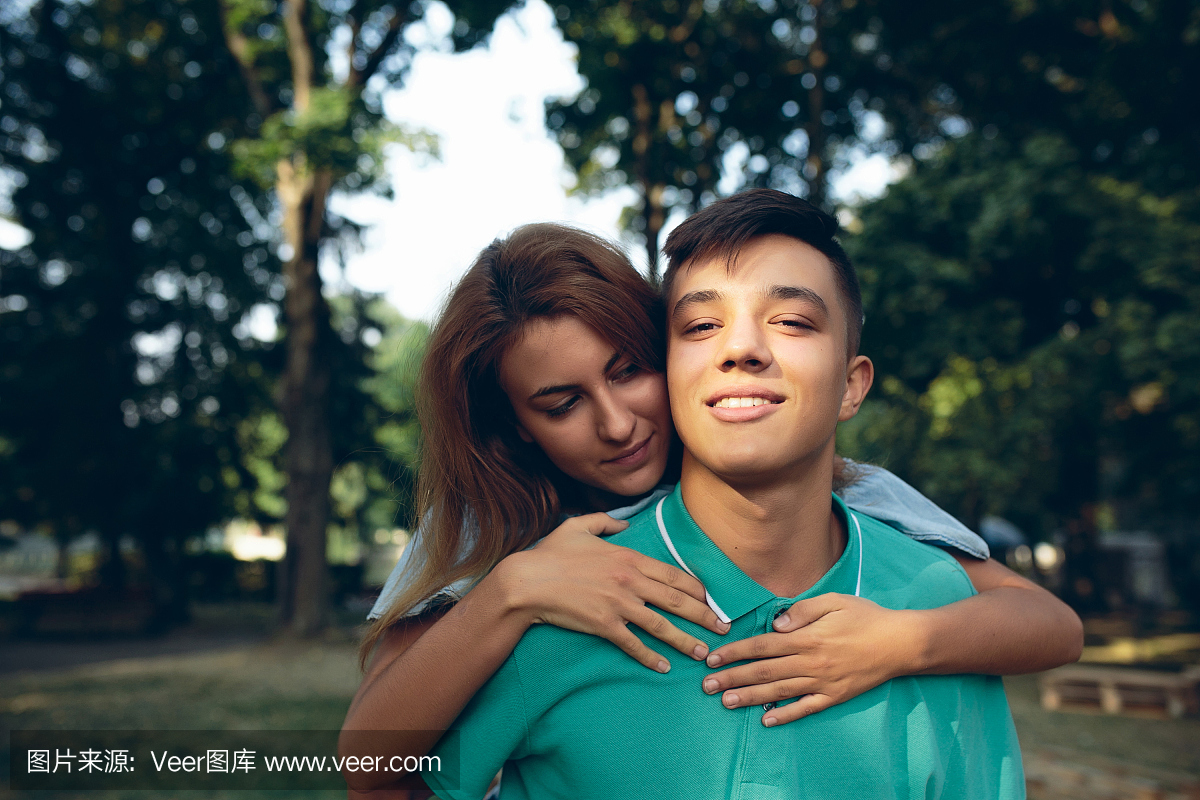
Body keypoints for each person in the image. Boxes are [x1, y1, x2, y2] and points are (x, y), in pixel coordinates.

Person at [340, 219, 1081, 795]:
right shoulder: (488, 518)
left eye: (629, 372)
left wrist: (896, 642)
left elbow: (1047, 624)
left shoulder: (852, 491)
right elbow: (368, 761)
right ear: (516, 427)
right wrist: (513, 588)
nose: (618, 425)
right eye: (562, 404)